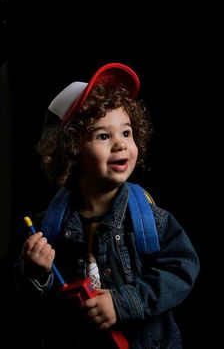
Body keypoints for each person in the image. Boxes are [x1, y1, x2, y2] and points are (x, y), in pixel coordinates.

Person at [14, 62, 200, 349]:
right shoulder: (50, 225)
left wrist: (123, 303)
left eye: (126, 133)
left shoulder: (149, 218)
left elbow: (182, 268)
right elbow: (38, 301)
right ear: (73, 151)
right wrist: (37, 273)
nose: (121, 145)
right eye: (104, 136)